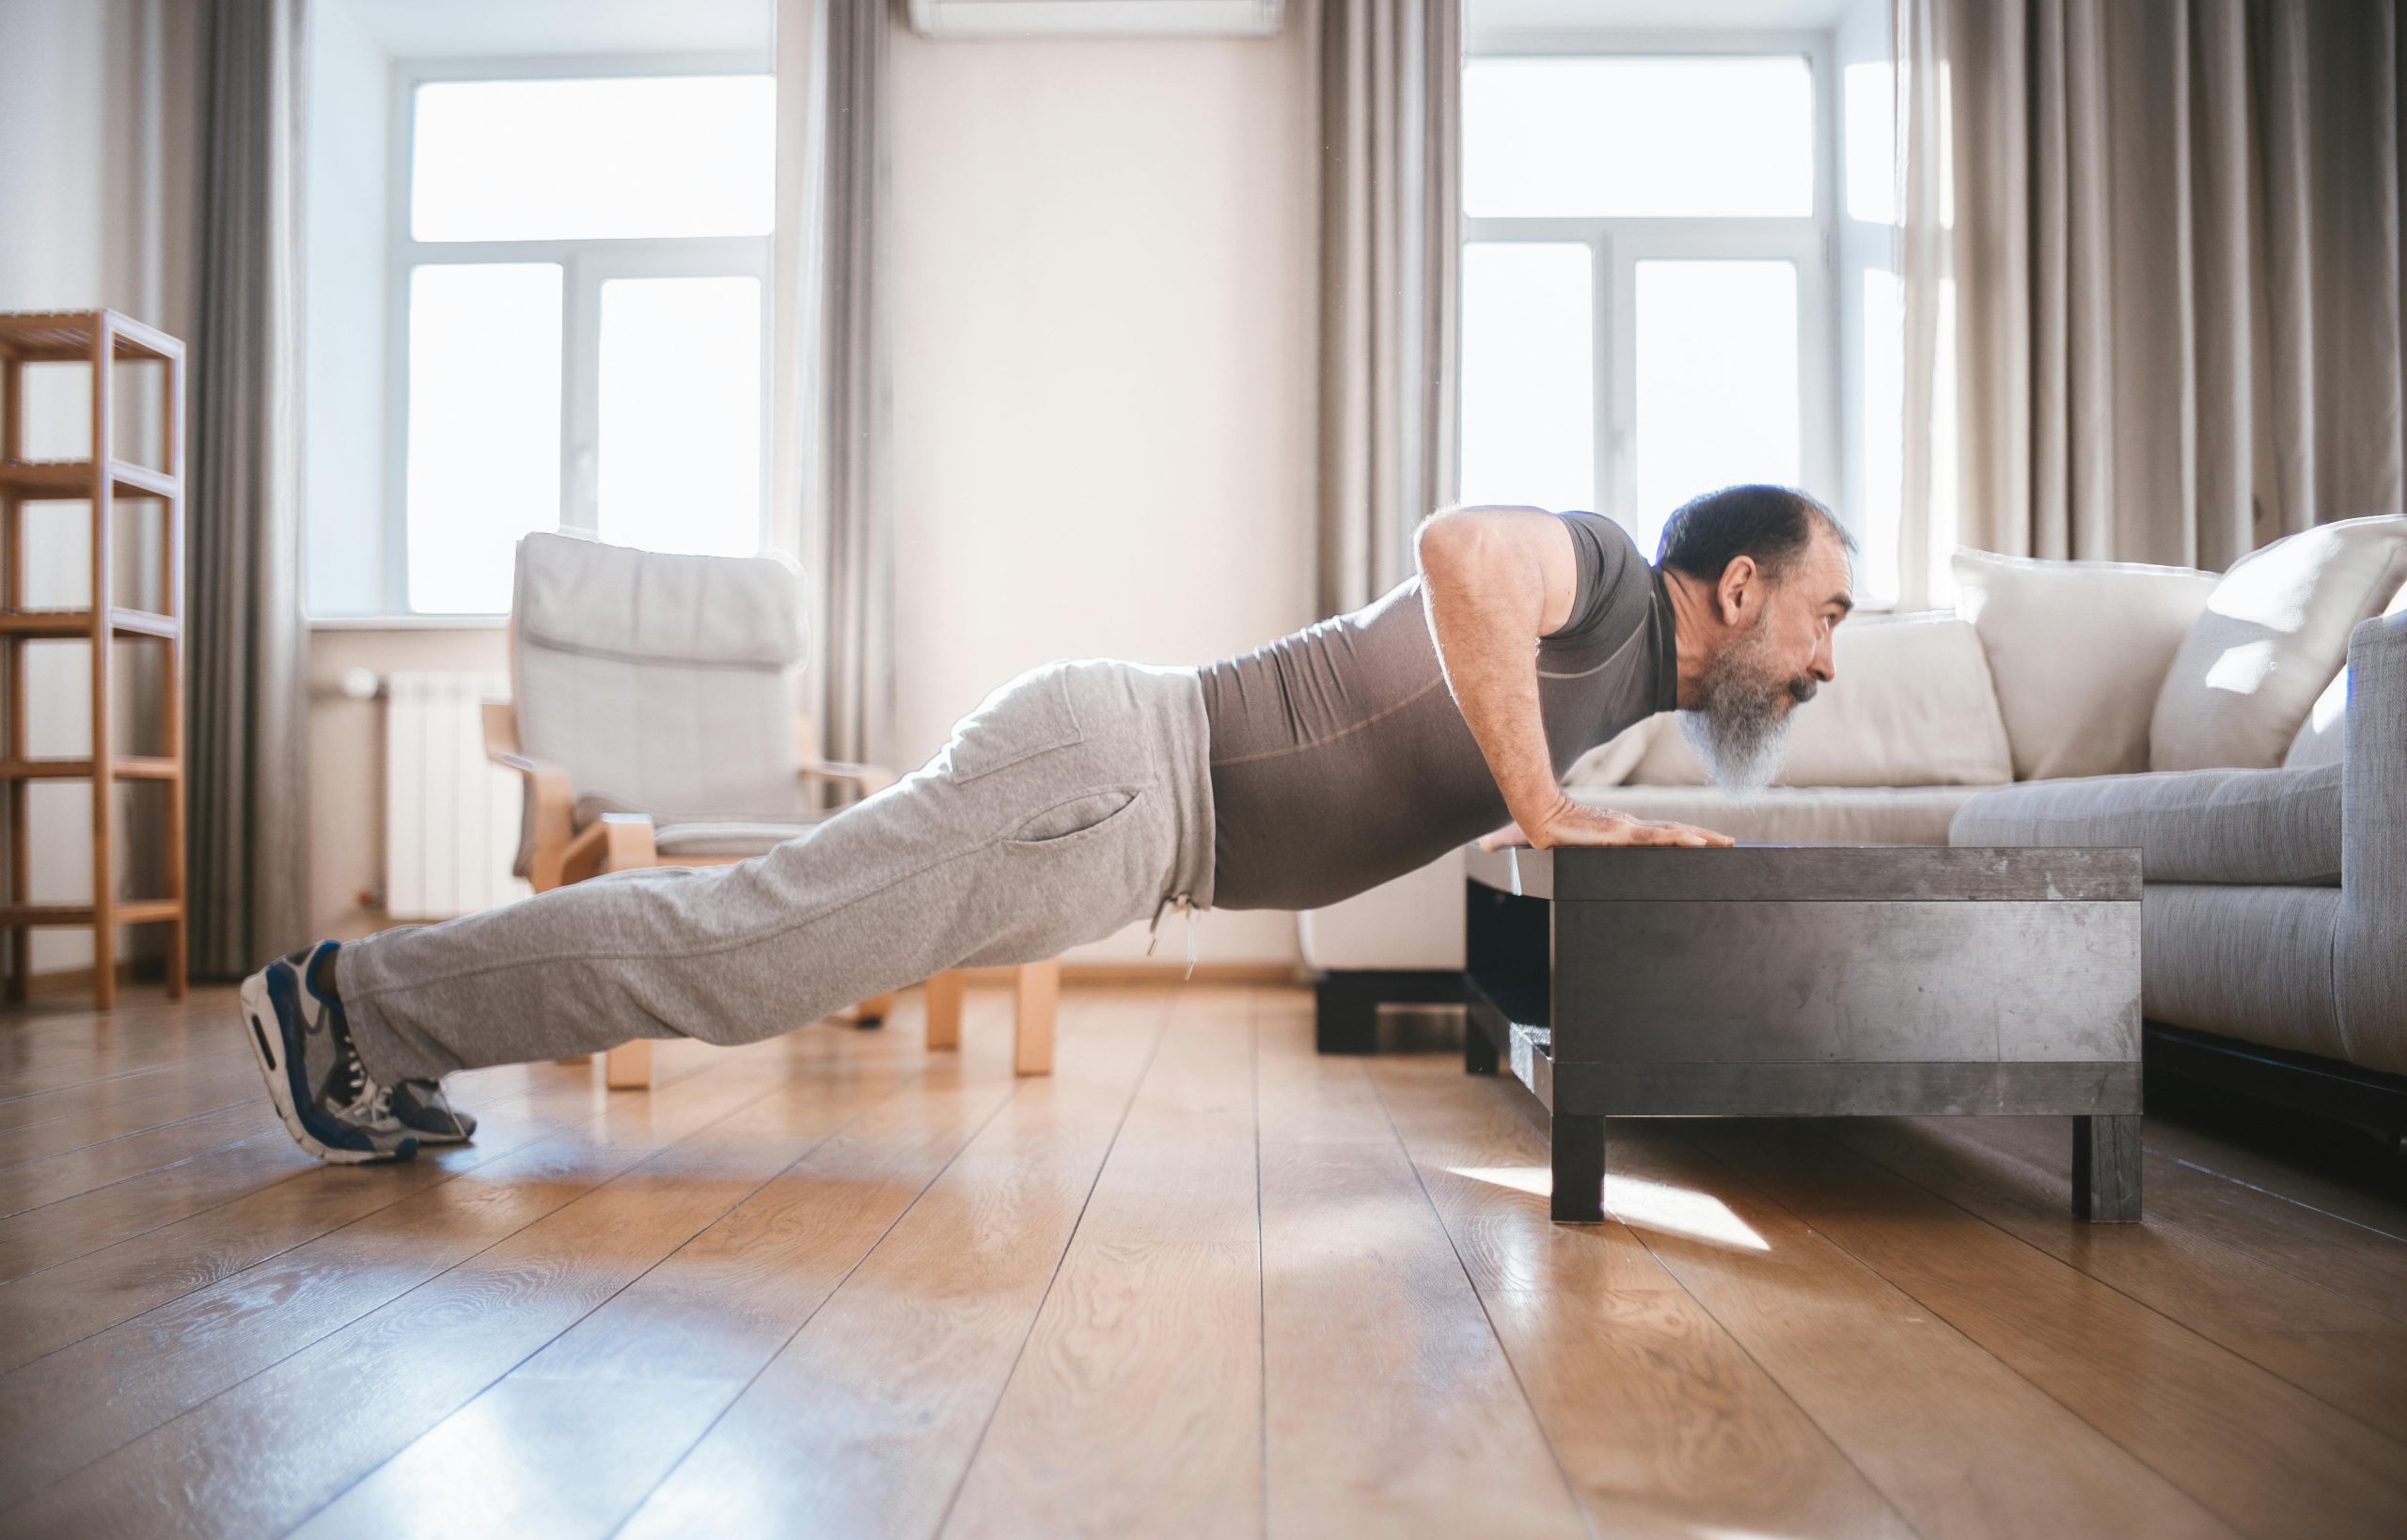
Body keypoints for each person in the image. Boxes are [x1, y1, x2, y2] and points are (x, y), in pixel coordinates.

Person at [241, 483, 1854, 1163]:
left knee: (747, 962)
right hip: (1118, 778)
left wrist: (1556, 813)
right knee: (735, 954)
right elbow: (1455, 550)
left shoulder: (1642, 674)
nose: (1830, 662)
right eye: (1826, 616)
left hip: (1124, 821)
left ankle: (396, 1031)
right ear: (1735, 585)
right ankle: (345, 1007)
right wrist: (1543, 806)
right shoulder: (1597, 562)